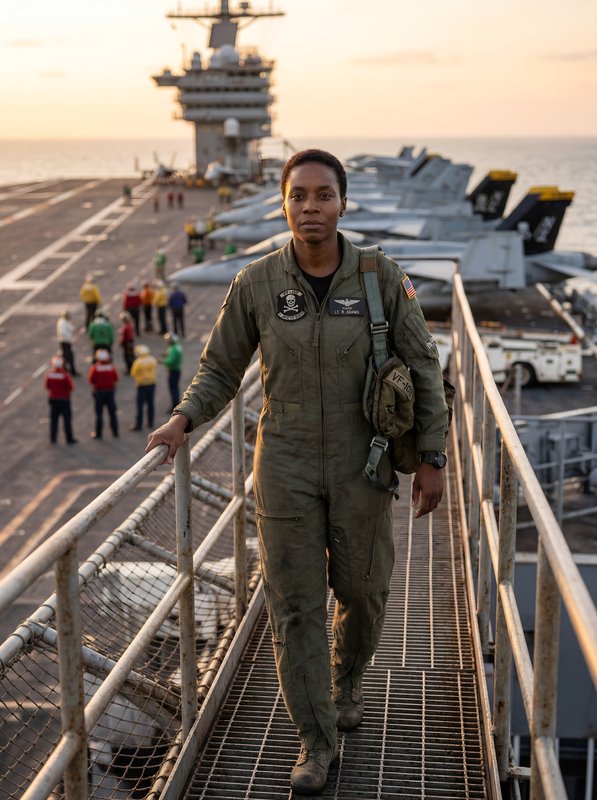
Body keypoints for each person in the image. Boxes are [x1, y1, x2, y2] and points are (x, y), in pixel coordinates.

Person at [145, 149, 448, 795]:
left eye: (322, 195)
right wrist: (182, 420)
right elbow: (220, 370)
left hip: (363, 460)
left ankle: (346, 679)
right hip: (282, 461)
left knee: (364, 592)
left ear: (342, 203)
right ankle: (315, 740)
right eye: (298, 196)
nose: (310, 207)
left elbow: (423, 368)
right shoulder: (256, 283)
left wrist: (431, 459)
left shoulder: (380, 278)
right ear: (285, 203)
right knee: (293, 607)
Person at [44, 355, 77, 445]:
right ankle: (69, 439)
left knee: (54, 420)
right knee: (67, 420)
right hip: (64, 400)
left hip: (54, 399)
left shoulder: (49, 374)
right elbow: (71, 387)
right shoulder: (65, 375)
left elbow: (47, 386)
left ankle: (53, 438)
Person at [88, 349, 119, 439]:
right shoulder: (111, 367)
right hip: (110, 392)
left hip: (99, 393)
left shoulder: (95, 368)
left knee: (99, 414)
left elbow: (91, 380)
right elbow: (116, 378)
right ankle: (115, 431)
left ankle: (98, 433)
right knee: (112, 413)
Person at [130, 344, 157, 431]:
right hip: (152, 383)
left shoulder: (138, 362)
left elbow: (133, 373)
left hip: (142, 385)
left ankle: (139, 424)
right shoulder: (152, 359)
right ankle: (150, 422)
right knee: (151, 403)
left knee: (140, 405)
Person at [161, 332, 183, 411]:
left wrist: (163, 361)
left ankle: (175, 405)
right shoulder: (176, 347)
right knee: (175, 388)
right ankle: (175, 403)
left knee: (173, 389)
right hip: (176, 370)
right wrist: (167, 355)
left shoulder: (174, 349)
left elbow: (170, 361)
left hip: (173, 371)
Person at [56, 309, 79, 376]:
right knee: (68, 356)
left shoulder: (63, 321)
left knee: (66, 356)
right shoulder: (63, 322)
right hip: (65, 341)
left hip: (65, 341)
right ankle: (70, 370)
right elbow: (63, 332)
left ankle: (66, 369)